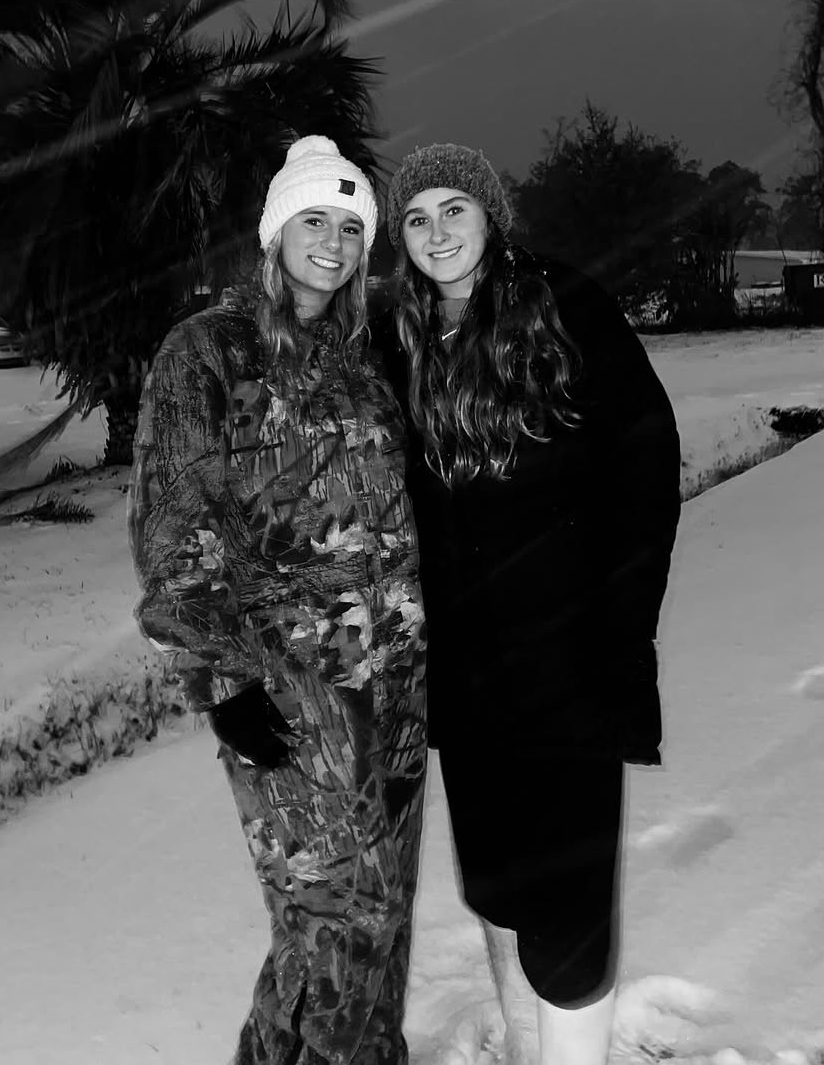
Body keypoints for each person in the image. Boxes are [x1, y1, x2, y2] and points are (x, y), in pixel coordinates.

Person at [127, 136, 428, 1065]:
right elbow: (174, 522)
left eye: (351, 226)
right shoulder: (207, 351)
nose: (333, 243)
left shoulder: (368, 349)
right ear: (275, 230)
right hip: (291, 684)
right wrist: (222, 680)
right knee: (334, 916)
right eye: (314, 221)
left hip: (398, 681)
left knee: (384, 912)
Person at [379, 143, 681, 1065]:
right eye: (417, 218)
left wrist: (623, 629)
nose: (437, 233)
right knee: (500, 879)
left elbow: (645, 468)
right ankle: (524, 1046)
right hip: (466, 676)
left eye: (454, 210)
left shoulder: (564, 305)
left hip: (569, 661)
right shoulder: (397, 337)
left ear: (490, 215)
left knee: (571, 896)